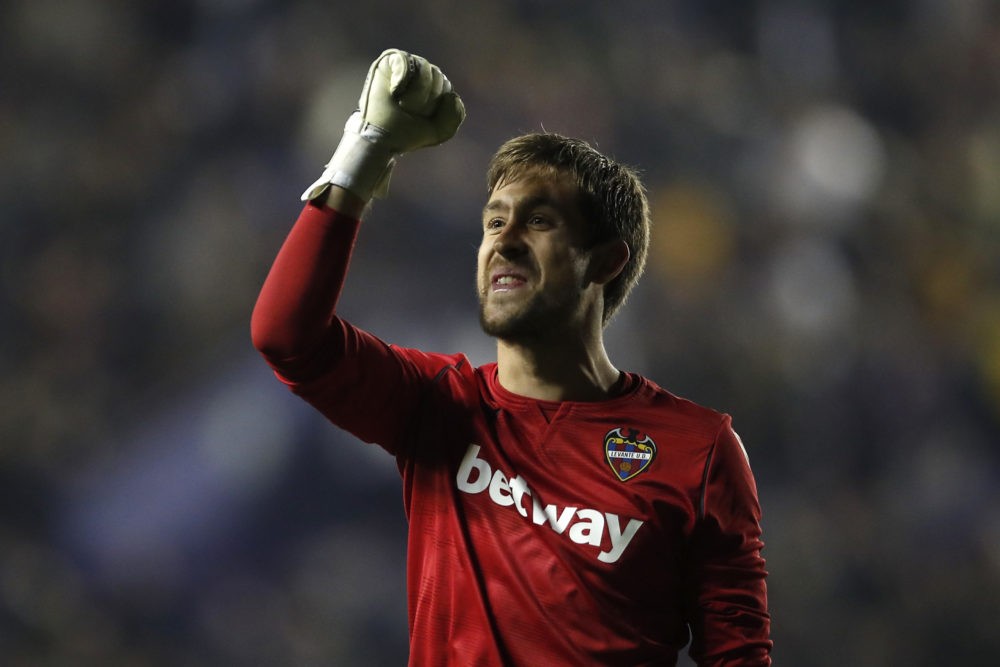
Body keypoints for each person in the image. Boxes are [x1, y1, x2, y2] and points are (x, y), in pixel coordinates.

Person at [251, 49, 772, 666]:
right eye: (494, 222)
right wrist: (361, 154)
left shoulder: (698, 451)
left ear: (606, 261)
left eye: (540, 221)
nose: (504, 241)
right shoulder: (440, 406)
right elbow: (287, 336)